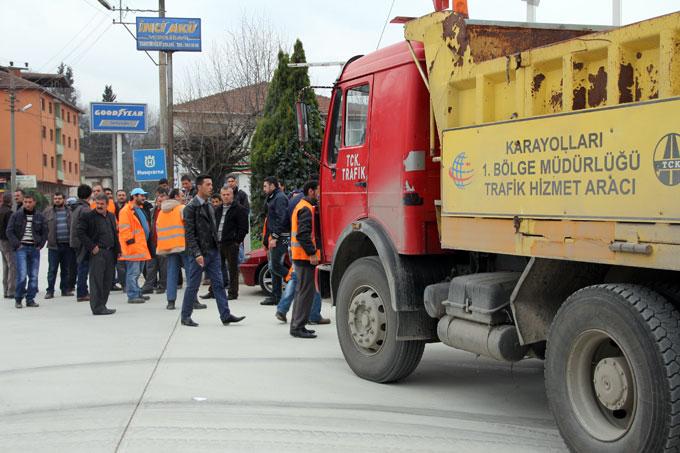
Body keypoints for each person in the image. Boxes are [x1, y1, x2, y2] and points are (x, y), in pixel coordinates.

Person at [180, 175, 245, 327]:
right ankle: (185, 316)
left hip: (213, 251)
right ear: (199, 187)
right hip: (199, 254)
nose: (211, 187)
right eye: (208, 184)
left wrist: (218, 246)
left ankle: (225, 315)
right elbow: (189, 234)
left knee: (219, 284)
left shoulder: (209, 205)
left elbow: (213, 230)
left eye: (211, 184)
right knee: (193, 285)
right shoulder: (190, 208)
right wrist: (197, 253)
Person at [288, 180, 322, 338]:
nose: (319, 193)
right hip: (304, 257)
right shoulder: (306, 209)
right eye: (318, 190)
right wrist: (312, 252)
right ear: (311, 191)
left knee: (301, 292)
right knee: (305, 293)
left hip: (300, 256)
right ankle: (298, 327)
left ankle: (297, 324)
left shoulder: (302, 206)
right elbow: (303, 235)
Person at [203, 187, 248, 300]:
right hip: (218, 243)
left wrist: (237, 241)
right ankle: (213, 291)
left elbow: (243, 228)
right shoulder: (217, 209)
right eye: (223, 194)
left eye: (228, 194)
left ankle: (233, 293)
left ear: (232, 195)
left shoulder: (239, 209)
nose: (226, 196)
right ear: (221, 196)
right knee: (215, 268)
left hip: (231, 243)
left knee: (232, 269)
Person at [77, 194, 119, 315]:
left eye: (102, 204)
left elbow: (114, 234)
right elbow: (80, 232)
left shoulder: (111, 216)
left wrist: (118, 250)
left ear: (107, 205)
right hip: (97, 252)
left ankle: (103, 305)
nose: (99, 206)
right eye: (97, 204)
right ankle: (96, 307)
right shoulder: (88, 216)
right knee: (96, 281)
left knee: (107, 280)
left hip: (110, 252)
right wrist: (91, 246)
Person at [6, 193, 47, 308]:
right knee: (22, 275)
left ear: (34, 203)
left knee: (33, 276)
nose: (27, 204)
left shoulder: (40, 216)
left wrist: (41, 244)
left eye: (30, 202)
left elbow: (45, 232)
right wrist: (17, 245)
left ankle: (30, 299)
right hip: (21, 249)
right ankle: (18, 299)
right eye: (25, 202)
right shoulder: (16, 215)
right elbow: (9, 231)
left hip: (34, 248)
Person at [156, 188, 189, 310]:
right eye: (181, 195)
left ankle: (171, 301)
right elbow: (188, 226)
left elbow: (158, 229)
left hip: (168, 247)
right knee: (191, 273)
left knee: (171, 274)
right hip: (182, 245)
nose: (183, 197)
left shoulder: (161, 211)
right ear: (176, 197)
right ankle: (193, 300)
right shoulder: (181, 208)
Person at [118, 188, 152, 304]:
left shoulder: (139, 209)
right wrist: (130, 243)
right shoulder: (126, 211)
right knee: (133, 273)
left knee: (137, 273)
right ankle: (132, 295)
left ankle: (137, 292)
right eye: (141, 196)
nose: (144, 198)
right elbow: (124, 229)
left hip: (140, 246)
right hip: (133, 247)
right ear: (134, 196)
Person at [260, 176, 289, 306]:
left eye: (265, 186)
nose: (264, 189)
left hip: (281, 237)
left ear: (272, 185)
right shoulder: (273, 197)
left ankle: (295, 281)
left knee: (275, 266)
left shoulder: (280, 198)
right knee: (273, 267)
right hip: (275, 236)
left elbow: (282, 218)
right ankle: (276, 296)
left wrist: (276, 236)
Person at [43, 192, 75, 299]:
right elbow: (43, 226)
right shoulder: (48, 212)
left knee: (65, 269)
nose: (57, 200)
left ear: (64, 200)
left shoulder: (70, 212)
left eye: (59, 198)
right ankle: (50, 291)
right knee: (52, 269)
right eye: (55, 198)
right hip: (54, 246)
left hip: (67, 245)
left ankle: (65, 289)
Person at [142, 188, 168, 295]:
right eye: (158, 197)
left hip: (164, 242)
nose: (160, 199)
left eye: (162, 197)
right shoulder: (152, 211)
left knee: (163, 266)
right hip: (152, 241)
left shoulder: (168, 212)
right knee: (151, 265)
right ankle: (149, 285)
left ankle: (162, 285)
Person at [70, 184, 92, 302]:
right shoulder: (85, 209)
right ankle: (82, 293)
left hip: (75, 241)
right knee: (83, 268)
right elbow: (88, 227)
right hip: (82, 242)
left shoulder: (75, 207)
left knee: (81, 267)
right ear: (90, 195)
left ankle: (82, 290)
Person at [224, 173, 249, 265]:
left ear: (236, 182)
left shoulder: (242, 194)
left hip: (239, 227)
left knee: (239, 246)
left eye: (232, 181)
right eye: (229, 181)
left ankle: (241, 266)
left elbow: (246, 210)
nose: (230, 183)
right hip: (228, 227)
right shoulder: (225, 194)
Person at [0, 192, 16, 299]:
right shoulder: (9, 213)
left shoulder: (1, 210)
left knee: (5, 265)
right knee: (12, 266)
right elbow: (10, 228)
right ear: (10, 200)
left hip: (1, 241)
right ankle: (11, 291)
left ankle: (5, 290)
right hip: (7, 241)